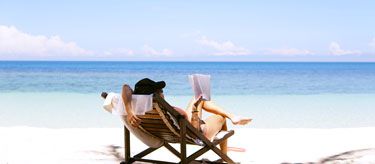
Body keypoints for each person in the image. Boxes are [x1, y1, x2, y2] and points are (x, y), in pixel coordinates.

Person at [125, 78, 252, 155]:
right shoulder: (172, 110)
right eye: (161, 91)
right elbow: (195, 132)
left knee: (198, 98)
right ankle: (224, 152)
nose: (163, 93)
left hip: (166, 132)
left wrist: (129, 111)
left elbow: (125, 87)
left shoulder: (135, 107)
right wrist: (196, 111)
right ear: (158, 94)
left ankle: (232, 117)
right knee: (221, 117)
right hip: (195, 134)